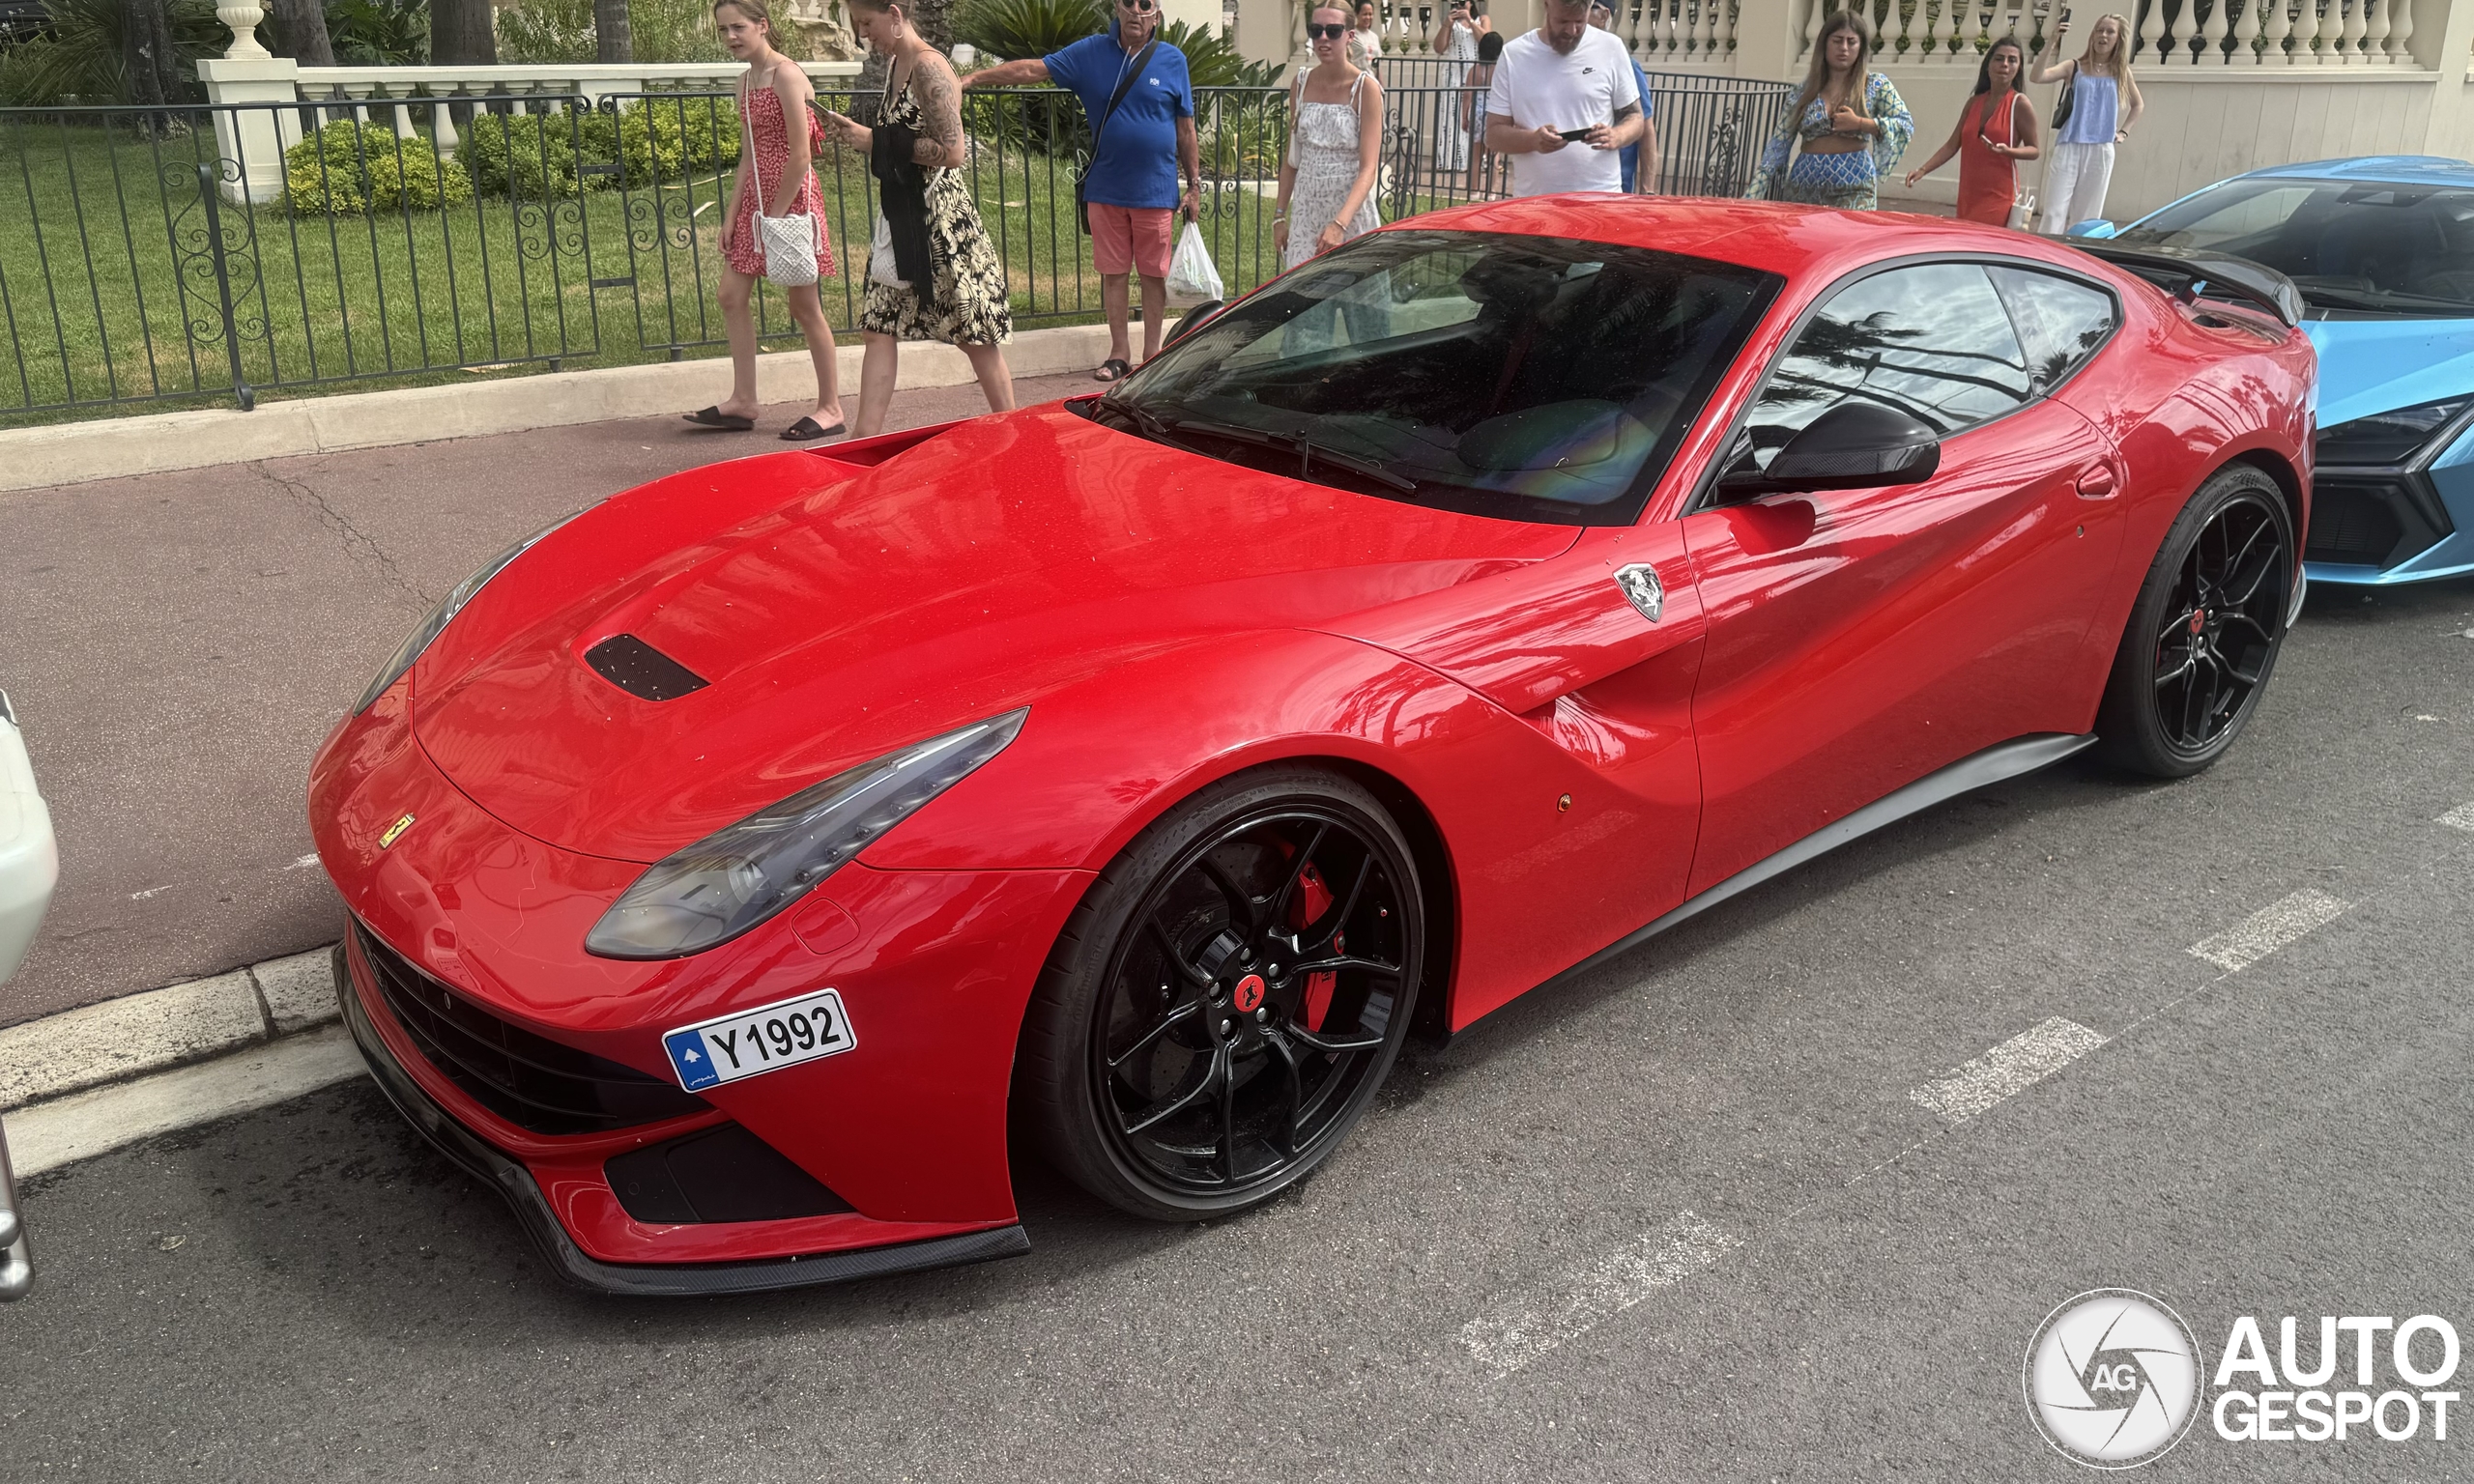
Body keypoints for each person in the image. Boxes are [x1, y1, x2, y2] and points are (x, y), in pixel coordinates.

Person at [965, 0, 1200, 382]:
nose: (1136, 12)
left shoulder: (1173, 60)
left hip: (1156, 191)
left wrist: (1194, 186)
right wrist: (975, 78)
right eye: (1129, 3)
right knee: (1114, 273)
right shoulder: (1090, 52)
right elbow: (1032, 69)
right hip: (1105, 188)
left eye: (1146, 4)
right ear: (1116, 8)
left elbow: (1186, 129)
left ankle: (1152, 354)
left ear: (1156, 13)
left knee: (1153, 275)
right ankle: (1119, 353)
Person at [819, 0, 1015, 436]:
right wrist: (863, 137)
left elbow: (953, 152)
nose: (862, 33)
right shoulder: (895, 65)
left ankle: (1011, 426)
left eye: (866, 23)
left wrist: (874, 141)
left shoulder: (928, 67)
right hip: (901, 214)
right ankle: (865, 438)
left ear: (894, 14)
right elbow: (897, 139)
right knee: (879, 326)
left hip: (938, 220)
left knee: (972, 333)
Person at [683, 0, 846, 441]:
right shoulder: (744, 81)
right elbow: (748, 155)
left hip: (792, 200)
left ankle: (831, 408)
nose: (731, 37)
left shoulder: (787, 75)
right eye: (723, 30)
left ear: (762, 26)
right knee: (730, 295)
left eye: (738, 27)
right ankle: (744, 401)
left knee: (803, 306)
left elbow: (801, 154)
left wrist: (774, 216)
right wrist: (733, 215)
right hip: (757, 202)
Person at [1746, 9, 1912, 211]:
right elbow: (1779, 143)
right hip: (1803, 186)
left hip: (1854, 187)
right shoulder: (1803, 92)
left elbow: (1904, 123)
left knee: (1851, 240)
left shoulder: (1876, 86)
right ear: (1824, 43)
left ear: (1861, 47)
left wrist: (1861, 123)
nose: (1844, 48)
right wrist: (1752, 194)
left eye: (1851, 42)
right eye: (1837, 40)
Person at [1482, 0, 1645, 200]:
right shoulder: (1513, 56)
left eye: (1579, 21)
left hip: (1601, 199)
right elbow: (1494, 135)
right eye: (1562, 21)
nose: (1572, 30)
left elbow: (1636, 118)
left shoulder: (1611, 48)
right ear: (1546, 5)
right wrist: (1533, 140)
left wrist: (1616, 135)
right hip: (1535, 202)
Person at [1277, 6, 1384, 272]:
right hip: (1306, 217)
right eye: (1316, 31)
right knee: (1306, 309)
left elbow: (1368, 169)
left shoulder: (1365, 88)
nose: (1323, 38)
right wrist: (1278, 217)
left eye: (1333, 31)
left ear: (1349, 36)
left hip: (1350, 218)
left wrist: (1339, 225)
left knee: (1360, 309)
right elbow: (1292, 159)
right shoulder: (1300, 83)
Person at [1904, 34, 2040, 226]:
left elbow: (2034, 150)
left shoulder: (2019, 104)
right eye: (1999, 58)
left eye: (2012, 60)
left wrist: (2008, 151)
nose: (2005, 64)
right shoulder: (1974, 102)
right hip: (1969, 194)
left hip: (1999, 196)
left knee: (1989, 247)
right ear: (1988, 64)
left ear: (2018, 69)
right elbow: (1952, 144)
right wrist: (1923, 170)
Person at [2031, 11, 2143, 235]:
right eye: (2099, 30)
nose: (2103, 35)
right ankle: (2045, 258)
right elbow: (2037, 76)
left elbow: (2137, 105)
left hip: (2101, 150)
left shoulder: (2120, 72)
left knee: (2088, 216)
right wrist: (2052, 42)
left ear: (2118, 39)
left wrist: (2123, 133)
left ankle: (2077, 261)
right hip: (2069, 145)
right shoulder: (2074, 66)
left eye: (2110, 32)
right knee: (2054, 211)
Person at [1588, 1, 1656, 194]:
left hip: (1616, 185)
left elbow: (1647, 128)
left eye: (1588, 6)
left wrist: (1647, 190)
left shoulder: (1626, 65)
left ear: (1603, 16)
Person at [1430, 0, 1487, 175]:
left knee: (1473, 117)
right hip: (1453, 75)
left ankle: (1474, 161)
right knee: (1451, 117)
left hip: (1475, 75)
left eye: (1464, 2)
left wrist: (1469, 21)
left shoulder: (1482, 19)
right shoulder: (1450, 23)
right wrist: (1447, 24)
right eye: (1457, 3)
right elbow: (1439, 47)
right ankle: (1450, 160)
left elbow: (1486, 41)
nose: (1461, 6)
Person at [1463, 29, 1506, 198]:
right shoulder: (1501, 69)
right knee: (1494, 154)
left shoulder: (1476, 69)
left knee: (1476, 155)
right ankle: (1491, 191)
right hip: (1494, 112)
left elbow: (1467, 95)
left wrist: (1464, 116)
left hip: (1477, 111)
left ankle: (1474, 190)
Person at [1348, 0, 1384, 71]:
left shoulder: (1374, 37)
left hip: (1372, 78)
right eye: (1365, 14)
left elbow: (1377, 66)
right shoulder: (1351, 35)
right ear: (1356, 14)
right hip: (1356, 78)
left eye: (1370, 14)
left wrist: (1379, 82)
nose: (1368, 17)